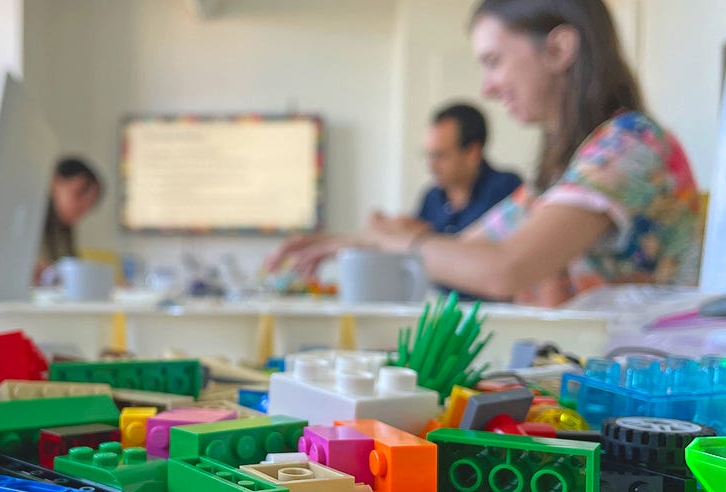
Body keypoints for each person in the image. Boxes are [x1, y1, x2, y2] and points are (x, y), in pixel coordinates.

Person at [268, 0, 701, 307]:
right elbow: (468, 246)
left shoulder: (630, 146)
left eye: (493, 60)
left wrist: (404, 239)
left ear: (558, 49)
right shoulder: (574, 166)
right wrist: (352, 242)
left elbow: (503, 268)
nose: (487, 86)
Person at [372, 103, 521, 237]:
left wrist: (423, 237)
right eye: (428, 155)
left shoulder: (507, 189)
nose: (431, 167)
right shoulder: (431, 197)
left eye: (439, 156)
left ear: (472, 153)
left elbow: (494, 254)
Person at [35, 157, 104, 281]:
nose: (84, 206)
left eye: (91, 203)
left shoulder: (65, 230)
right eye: (80, 192)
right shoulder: (32, 221)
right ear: (56, 181)